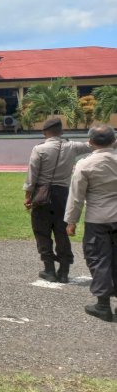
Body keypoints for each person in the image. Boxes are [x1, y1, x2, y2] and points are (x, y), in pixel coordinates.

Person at [23, 118, 91, 283]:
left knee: (42, 231)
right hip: (63, 194)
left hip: (42, 193)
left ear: (45, 132)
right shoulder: (72, 146)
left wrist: (28, 196)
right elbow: (95, 144)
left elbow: (32, 174)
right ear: (61, 131)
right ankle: (64, 271)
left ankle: (49, 270)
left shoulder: (39, 149)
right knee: (61, 231)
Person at [64, 124, 117, 322]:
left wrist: (71, 221)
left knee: (98, 259)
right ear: (114, 141)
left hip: (98, 218)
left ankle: (103, 305)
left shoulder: (84, 165)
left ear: (90, 142)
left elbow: (76, 196)